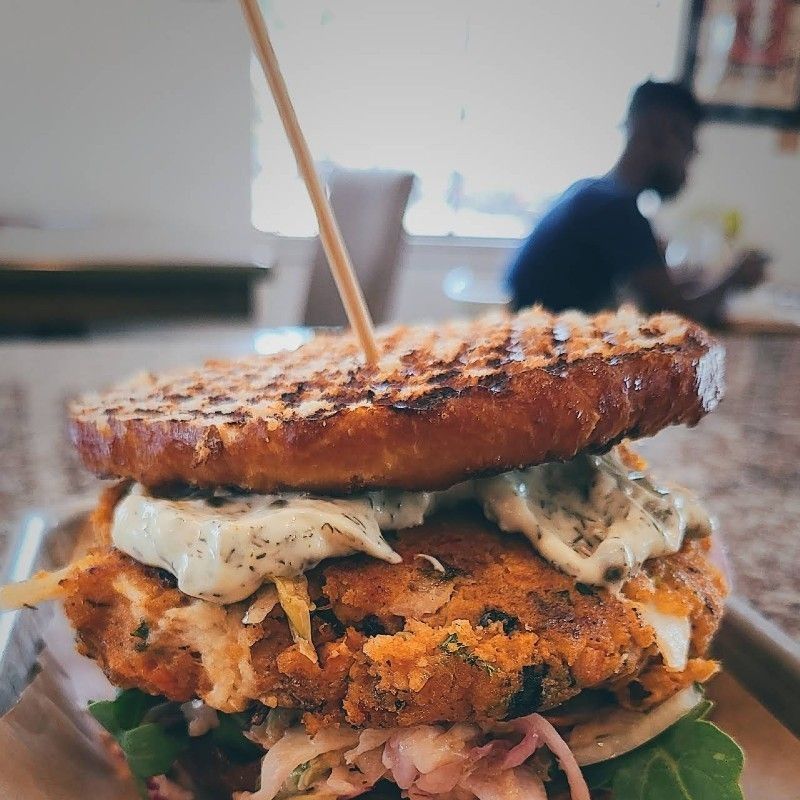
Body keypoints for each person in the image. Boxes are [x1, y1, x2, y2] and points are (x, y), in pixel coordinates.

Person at [505, 80, 767, 325]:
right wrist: (734, 278)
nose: (688, 165)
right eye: (688, 147)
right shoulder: (617, 210)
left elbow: (652, 292)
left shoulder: (591, 192)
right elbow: (673, 317)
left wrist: (687, 284)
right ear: (661, 133)